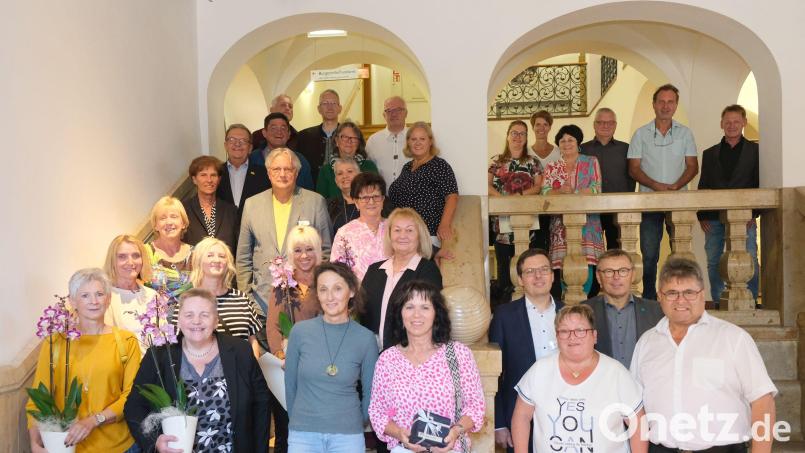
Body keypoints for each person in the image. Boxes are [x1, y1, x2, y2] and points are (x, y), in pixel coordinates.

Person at [631, 257, 776, 452]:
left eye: (689, 292)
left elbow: (762, 401)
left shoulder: (733, 338)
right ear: (660, 296)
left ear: (702, 294)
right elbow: (635, 408)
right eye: (672, 293)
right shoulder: (646, 343)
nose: (680, 300)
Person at [125, 288, 270, 452]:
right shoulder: (159, 355)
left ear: (216, 320)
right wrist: (154, 441)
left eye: (204, 315)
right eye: (189, 315)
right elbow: (133, 407)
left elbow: (261, 405)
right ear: (178, 320)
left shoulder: (240, 351)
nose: (196, 321)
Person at [28, 268, 142, 453]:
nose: (94, 301)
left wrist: (93, 421)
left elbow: (130, 396)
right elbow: (38, 398)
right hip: (66, 447)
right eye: (85, 295)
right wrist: (35, 443)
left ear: (108, 299)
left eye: (99, 294)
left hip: (120, 447)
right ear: (73, 301)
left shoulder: (126, 341)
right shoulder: (55, 342)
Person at [511, 305, 647, 453]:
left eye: (580, 330)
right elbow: (522, 416)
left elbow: (638, 424)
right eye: (564, 331)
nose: (572, 336)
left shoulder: (616, 373)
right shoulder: (539, 371)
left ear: (594, 336)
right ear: (556, 337)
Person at [368, 280, 485, 452]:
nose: (417, 315)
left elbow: (476, 406)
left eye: (425, 307)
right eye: (409, 307)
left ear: (436, 313)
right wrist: (400, 434)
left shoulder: (459, 355)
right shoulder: (387, 359)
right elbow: (377, 411)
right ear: (400, 313)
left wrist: (455, 432)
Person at [284, 262, 379, 452]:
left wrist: (358, 421)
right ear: (317, 294)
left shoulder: (366, 338)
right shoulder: (300, 332)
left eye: (337, 288)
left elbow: (371, 390)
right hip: (303, 434)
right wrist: (298, 419)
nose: (330, 297)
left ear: (351, 291)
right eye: (323, 289)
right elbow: (290, 384)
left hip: (348, 435)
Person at [236, 147, 332, 314]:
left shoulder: (315, 202)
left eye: (288, 169)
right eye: (276, 169)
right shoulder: (251, 205)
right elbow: (243, 257)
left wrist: (317, 290)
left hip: (305, 298)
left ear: (296, 173)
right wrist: (246, 299)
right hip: (261, 301)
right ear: (268, 173)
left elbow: (326, 252)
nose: (282, 174)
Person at [628, 84, 699, 300]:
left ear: (676, 105)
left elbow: (693, 166)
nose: (665, 106)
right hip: (649, 202)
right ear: (654, 104)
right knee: (649, 254)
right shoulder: (640, 134)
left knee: (681, 254)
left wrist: (676, 186)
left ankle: (681, 295)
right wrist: (656, 186)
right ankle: (650, 298)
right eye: (661, 101)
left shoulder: (685, 133)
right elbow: (633, 168)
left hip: (679, 202)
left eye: (670, 102)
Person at [489, 248, 563, 453]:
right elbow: (495, 373)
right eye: (530, 271)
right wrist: (500, 422)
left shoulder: (569, 312)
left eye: (544, 270)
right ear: (521, 280)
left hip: (565, 411)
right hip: (520, 415)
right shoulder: (504, 316)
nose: (538, 276)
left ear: (552, 275)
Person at [265, 225, 324, 453]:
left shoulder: (327, 281)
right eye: (298, 250)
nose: (304, 255)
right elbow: (273, 326)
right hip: (287, 370)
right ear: (291, 254)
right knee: (286, 432)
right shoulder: (281, 283)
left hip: (320, 370)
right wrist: (282, 356)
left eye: (309, 249)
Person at [697, 104, 760, 303]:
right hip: (713, 217)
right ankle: (718, 302)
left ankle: (749, 302)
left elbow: (759, 184)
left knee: (749, 259)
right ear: (721, 124)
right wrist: (702, 215)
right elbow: (704, 185)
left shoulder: (756, 151)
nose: (732, 125)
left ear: (744, 123)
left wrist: (754, 213)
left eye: (736, 122)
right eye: (728, 122)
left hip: (745, 217)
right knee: (714, 261)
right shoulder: (709, 153)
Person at [361, 208, 443, 350]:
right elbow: (361, 312)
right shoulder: (374, 270)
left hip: (408, 355)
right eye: (397, 230)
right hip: (371, 354)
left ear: (419, 236)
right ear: (389, 235)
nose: (402, 236)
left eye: (409, 230)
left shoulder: (428, 271)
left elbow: (430, 316)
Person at [169, 237, 262, 356]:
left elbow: (252, 340)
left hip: (242, 371)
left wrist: (253, 368)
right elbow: (178, 344)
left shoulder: (242, 299)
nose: (216, 260)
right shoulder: (187, 301)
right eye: (210, 255)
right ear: (198, 261)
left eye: (222, 256)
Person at [541, 124, 604, 296]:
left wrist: (574, 193)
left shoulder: (591, 161)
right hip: (560, 226)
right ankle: (566, 300)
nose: (566, 143)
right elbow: (545, 192)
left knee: (586, 262)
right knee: (563, 263)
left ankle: (585, 299)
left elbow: (596, 188)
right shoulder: (552, 167)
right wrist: (560, 191)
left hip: (588, 224)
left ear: (578, 143)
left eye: (571, 140)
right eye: (562, 140)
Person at [488, 120, 544, 301]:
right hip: (502, 224)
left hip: (527, 222)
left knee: (526, 266)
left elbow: (538, 187)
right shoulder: (497, 161)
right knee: (505, 271)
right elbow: (487, 185)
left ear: (527, 138)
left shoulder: (533, 162)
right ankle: (506, 308)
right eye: (514, 133)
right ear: (507, 136)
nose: (518, 137)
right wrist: (503, 200)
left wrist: (519, 197)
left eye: (522, 133)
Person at [581, 249, 663, 368]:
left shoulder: (656, 311)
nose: (616, 277)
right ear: (599, 277)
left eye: (623, 271)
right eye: (609, 271)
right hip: (602, 384)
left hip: (644, 385)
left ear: (633, 274)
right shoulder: (582, 312)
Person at [388, 121, 459, 251]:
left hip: (427, 235)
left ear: (430, 141)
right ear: (408, 142)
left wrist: (444, 225)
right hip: (405, 234)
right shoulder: (407, 167)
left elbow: (452, 197)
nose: (417, 142)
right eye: (413, 139)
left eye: (422, 139)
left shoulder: (439, 165)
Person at [580, 108, 635, 249]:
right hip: (589, 210)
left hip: (617, 209)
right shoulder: (582, 150)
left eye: (610, 123)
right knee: (589, 251)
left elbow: (632, 177)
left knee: (616, 251)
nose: (605, 126)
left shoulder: (626, 149)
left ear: (615, 125)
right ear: (594, 125)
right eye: (601, 122)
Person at [103, 234, 159, 356]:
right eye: (122, 257)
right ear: (112, 261)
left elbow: (163, 339)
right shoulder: (105, 297)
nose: (130, 262)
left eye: (136, 256)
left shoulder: (152, 295)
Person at [330, 172, 389, 280]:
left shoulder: (394, 228)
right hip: (357, 294)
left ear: (383, 200)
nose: (371, 202)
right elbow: (337, 273)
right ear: (356, 202)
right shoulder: (344, 233)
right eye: (365, 197)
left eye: (376, 196)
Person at [182, 155, 238, 253]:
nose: (209, 180)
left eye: (213, 175)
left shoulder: (231, 211)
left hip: (225, 266)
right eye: (203, 175)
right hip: (194, 267)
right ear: (194, 179)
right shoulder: (184, 210)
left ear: (219, 179)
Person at [217, 123, 271, 220]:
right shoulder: (216, 173)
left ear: (250, 148)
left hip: (255, 231)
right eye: (232, 139)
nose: (237, 144)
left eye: (243, 140)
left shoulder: (264, 174)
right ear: (225, 145)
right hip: (223, 231)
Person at [250, 112, 314, 190]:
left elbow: (308, 191)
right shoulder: (252, 158)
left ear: (289, 134)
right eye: (273, 128)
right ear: (264, 133)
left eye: (283, 128)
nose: (279, 132)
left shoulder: (300, 160)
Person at [316, 120, 379, 199]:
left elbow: (377, 196)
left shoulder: (369, 167)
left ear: (359, 143)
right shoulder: (326, 171)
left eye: (354, 138)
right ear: (336, 141)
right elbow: (321, 202)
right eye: (344, 137)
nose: (349, 141)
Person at [146, 196, 193, 295]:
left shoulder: (196, 254)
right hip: (157, 310)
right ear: (155, 225)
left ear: (183, 223)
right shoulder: (144, 253)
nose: (169, 222)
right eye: (162, 218)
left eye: (174, 216)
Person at [529, 110, 560, 252]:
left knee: (554, 245)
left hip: (555, 205)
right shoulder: (526, 152)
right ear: (533, 127)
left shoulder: (559, 151)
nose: (541, 128)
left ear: (550, 127)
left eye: (545, 124)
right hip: (533, 206)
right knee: (537, 245)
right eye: (538, 124)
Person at [297, 89, 342, 184]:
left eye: (334, 103)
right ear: (318, 109)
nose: (330, 107)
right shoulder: (304, 136)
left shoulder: (349, 135)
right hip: (312, 189)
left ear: (340, 108)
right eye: (325, 103)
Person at [366, 96, 409, 184]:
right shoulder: (373, 141)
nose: (393, 114)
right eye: (389, 110)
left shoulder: (415, 138)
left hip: (411, 196)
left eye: (398, 110)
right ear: (384, 115)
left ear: (406, 113)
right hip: (382, 196)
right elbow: (368, 171)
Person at [327, 157, 361, 233]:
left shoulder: (374, 202)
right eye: (340, 173)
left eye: (349, 171)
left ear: (359, 175)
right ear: (336, 180)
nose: (345, 176)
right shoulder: (329, 206)